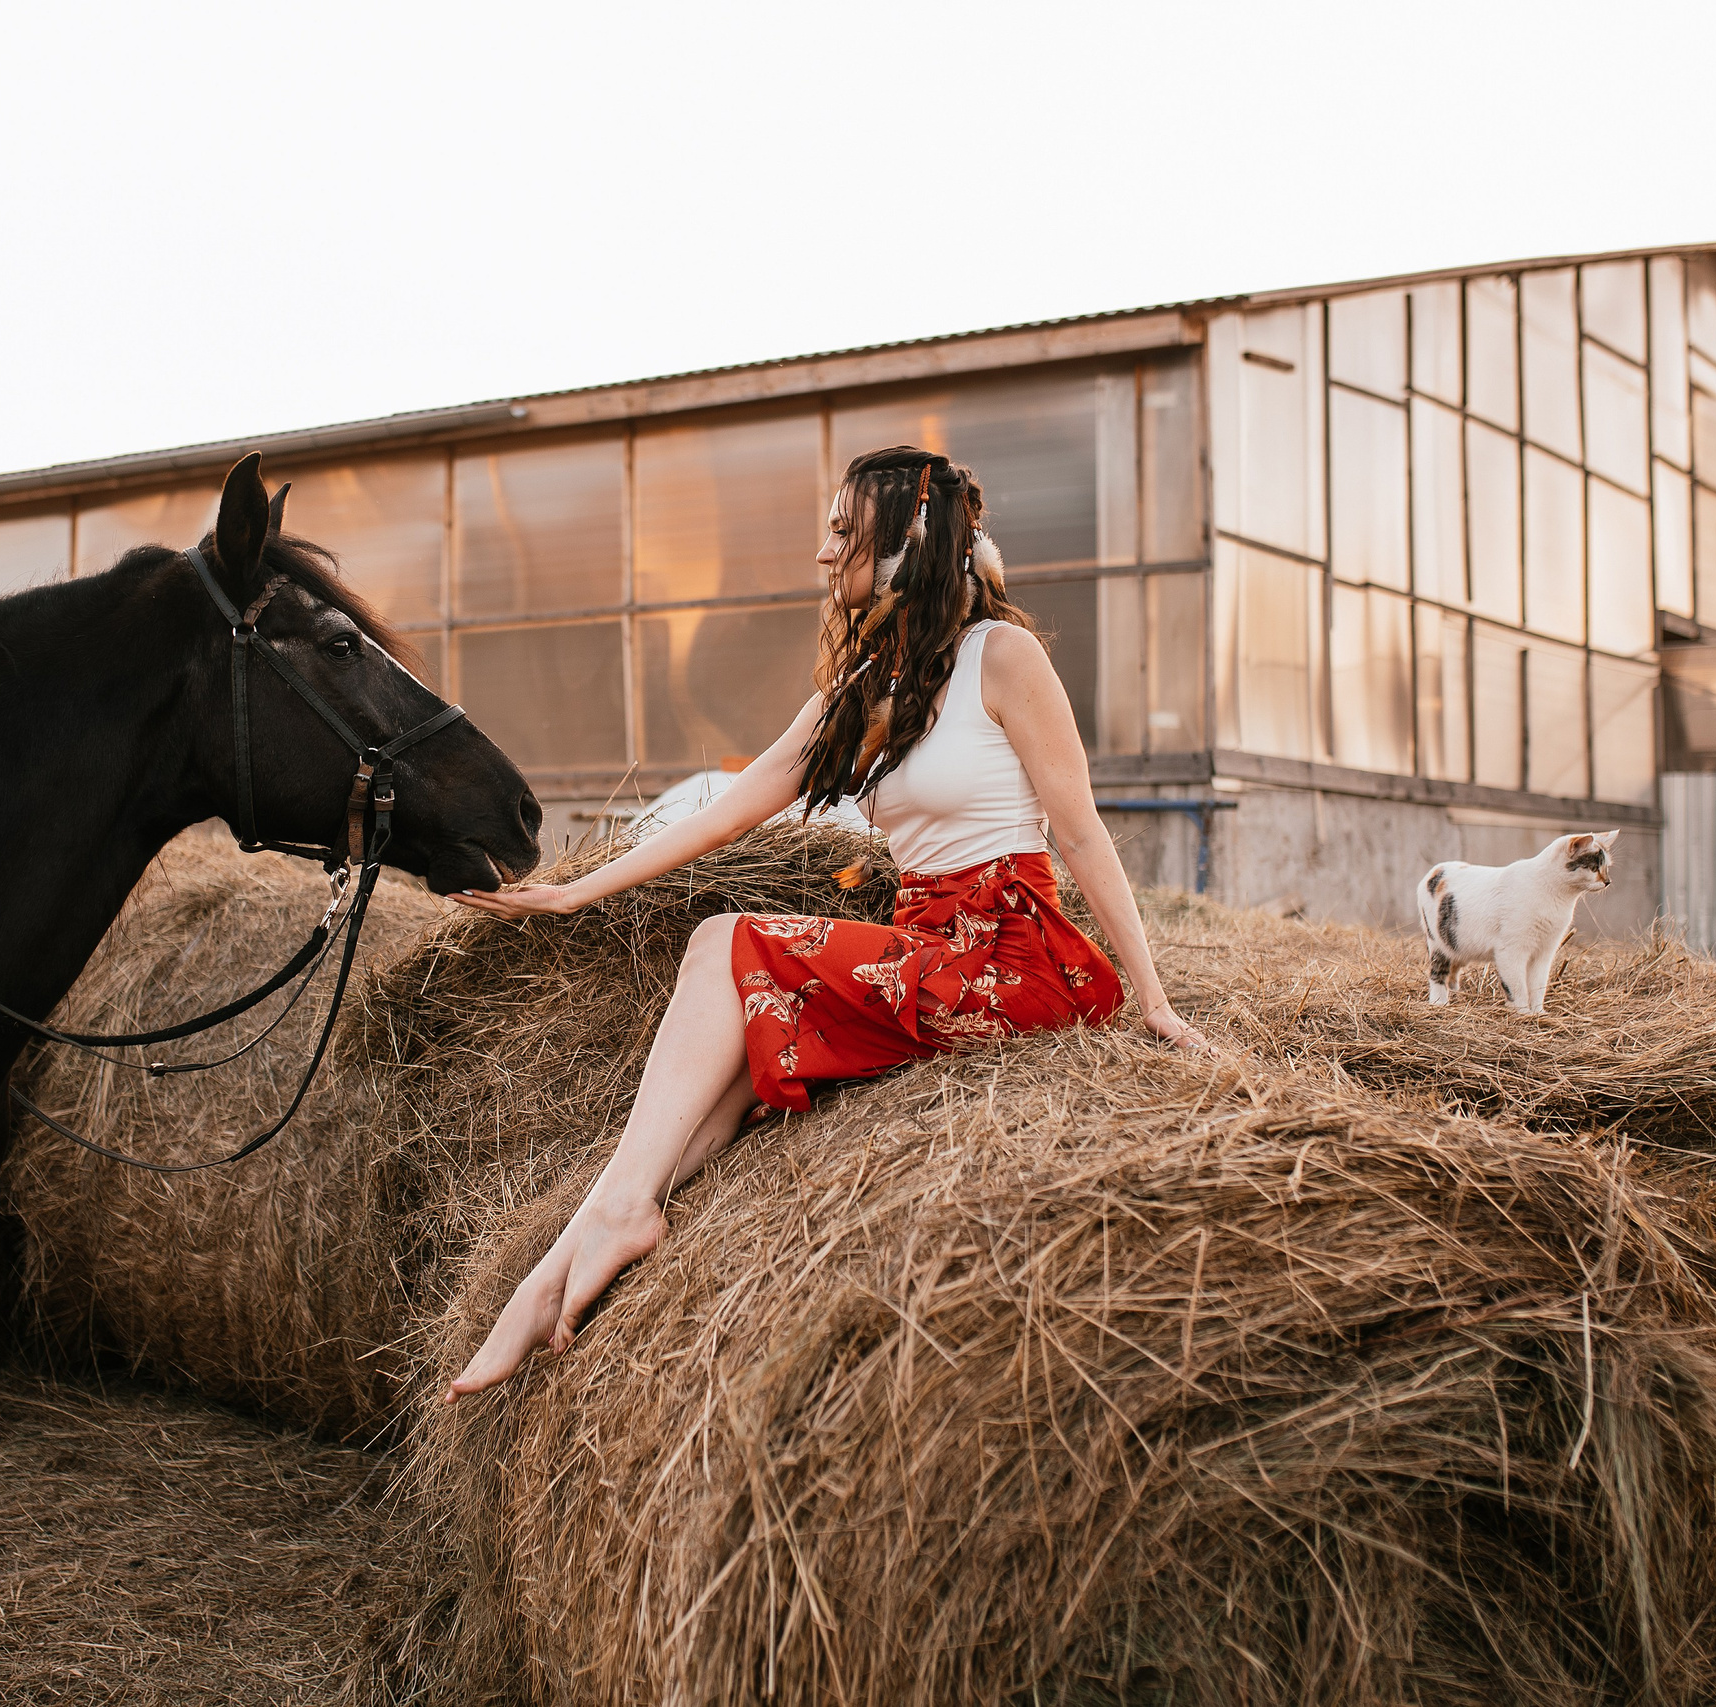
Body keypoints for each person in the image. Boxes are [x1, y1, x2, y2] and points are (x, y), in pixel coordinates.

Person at [443, 446, 1206, 1399]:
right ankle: (566, 1257)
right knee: (723, 1086)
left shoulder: (1003, 659)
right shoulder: (869, 692)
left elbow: (1084, 836)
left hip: (1007, 957)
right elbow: (727, 809)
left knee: (722, 943)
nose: (821, 553)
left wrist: (1157, 1000)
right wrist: (566, 894)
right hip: (927, 949)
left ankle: (612, 1220)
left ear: (903, 550)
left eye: (843, 533)